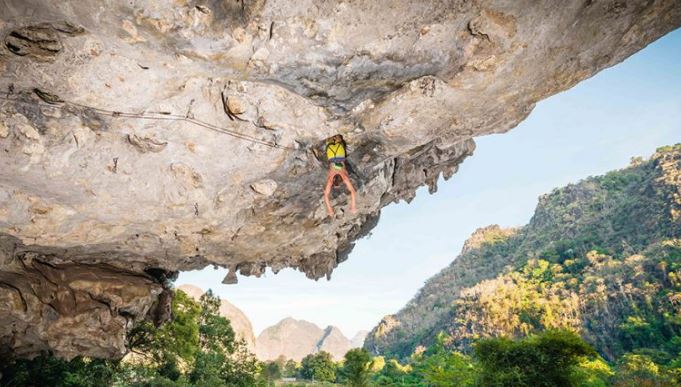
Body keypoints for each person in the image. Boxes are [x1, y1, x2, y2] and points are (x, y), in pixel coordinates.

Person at [323, 134, 357, 216]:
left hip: (340, 154)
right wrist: (330, 209)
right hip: (331, 154)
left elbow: (353, 192)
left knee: (338, 138)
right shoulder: (330, 179)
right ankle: (331, 139)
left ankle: (337, 138)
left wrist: (353, 206)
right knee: (330, 140)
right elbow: (326, 195)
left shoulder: (344, 177)